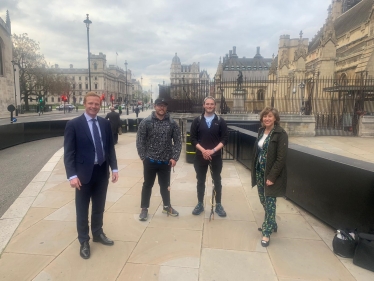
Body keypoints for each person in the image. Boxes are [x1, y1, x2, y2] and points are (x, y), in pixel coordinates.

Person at [64, 92, 119, 259]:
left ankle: (97, 233)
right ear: (84, 104)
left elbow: (110, 147)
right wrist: (72, 175)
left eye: (97, 104)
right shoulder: (74, 124)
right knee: (82, 209)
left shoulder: (104, 123)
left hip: (101, 172)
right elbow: (69, 153)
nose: (94, 106)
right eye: (91, 103)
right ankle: (84, 241)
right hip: (82, 175)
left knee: (99, 207)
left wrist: (114, 169)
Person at [136, 98, 182, 221]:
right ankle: (144, 208)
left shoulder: (172, 123)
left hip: (165, 161)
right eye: (159, 105)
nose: (162, 108)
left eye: (164, 105)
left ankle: (167, 206)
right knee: (147, 185)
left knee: (165, 185)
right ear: (155, 106)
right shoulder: (146, 122)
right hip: (150, 160)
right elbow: (140, 140)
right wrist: (143, 157)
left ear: (166, 107)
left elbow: (178, 141)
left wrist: (175, 157)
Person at [251, 106, 288, 247]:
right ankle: (272, 223)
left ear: (275, 118)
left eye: (270, 116)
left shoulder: (281, 134)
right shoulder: (261, 131)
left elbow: (281, 158)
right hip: (260, 171)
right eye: (265, 116)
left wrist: (272, 177)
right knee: (263, 199)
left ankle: (266, 232)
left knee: (270, 201)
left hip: (271, 174)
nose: (267, 118)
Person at [190, 96, 228, 217]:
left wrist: (212, 151)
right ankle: (200, 203)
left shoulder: (220, 121)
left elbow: (225, 139)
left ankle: (218, 204)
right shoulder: (197, 120)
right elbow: (193, 139)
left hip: (215, 156)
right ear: (204, 105)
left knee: (217, 180)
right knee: (200, 180)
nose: (210, 106)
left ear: (215, 105)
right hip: (200, 156)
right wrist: (204, 151)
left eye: (212, 104)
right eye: (207, 104)